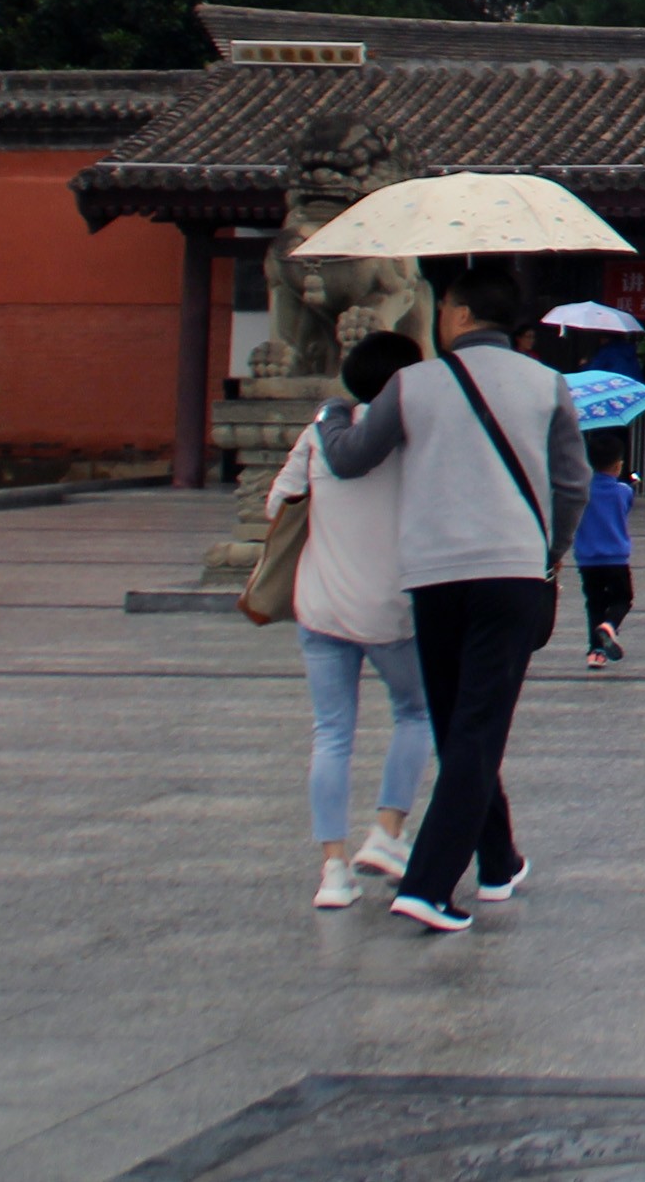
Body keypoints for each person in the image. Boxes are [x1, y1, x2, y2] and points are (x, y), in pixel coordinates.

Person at [312, 264, 588, 934]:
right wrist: (550, 550)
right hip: (512, 573)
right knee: (478, 729)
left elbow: (351, 458)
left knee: (456, 725)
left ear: (460, 315)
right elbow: (572, 482)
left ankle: (493, 864)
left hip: (433, 576)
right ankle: (432, 884)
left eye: (443, 308)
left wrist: (331, 417)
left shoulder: (411, 384)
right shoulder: (546, 383)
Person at [266, 328, 433, 910]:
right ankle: (387, 830)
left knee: (331, 734)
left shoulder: (320, 434)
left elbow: (277, 505)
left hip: (320, 604)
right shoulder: (416, 439)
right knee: (417, 713)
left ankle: (332, 871)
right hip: (390, 609)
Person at [575, 430, 637, 668]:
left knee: (594, 603)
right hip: (616, 559)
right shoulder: (623, 491)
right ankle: (609, 626)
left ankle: (595, 652)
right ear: (618, 465)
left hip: (587, 559)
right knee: (623, 598)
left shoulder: (582, 491)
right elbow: (626, 507)